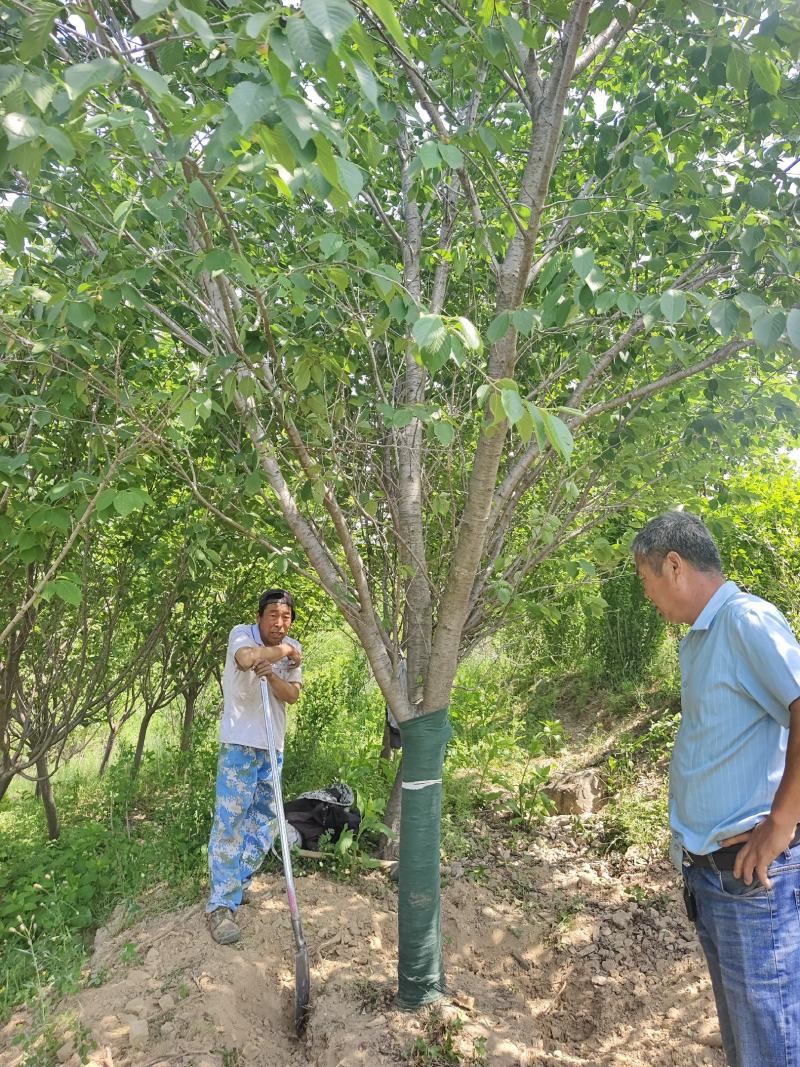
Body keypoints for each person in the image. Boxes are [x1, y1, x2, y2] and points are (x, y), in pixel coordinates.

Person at [632, 511, 800, 1067]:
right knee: (747, 1042)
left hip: (752, 878)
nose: (648, 596)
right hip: (714, 878)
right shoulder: (703, 638)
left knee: (769, 1041)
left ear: (673, 566)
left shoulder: (744, 621)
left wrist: (781, 823)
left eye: (646, 579)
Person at [205, 588, 303, 945]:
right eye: (273, 616)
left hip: (271, 747)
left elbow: (292, 694)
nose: (280, 624)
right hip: (239, 745)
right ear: (260, 616)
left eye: (286, 617)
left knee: (264, 820)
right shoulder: (241, 634)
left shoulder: (294, 648)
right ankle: (220, 905)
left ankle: (235, 882)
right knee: (230, 820)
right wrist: (283, 652)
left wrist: (274, 673)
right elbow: (246, 658)